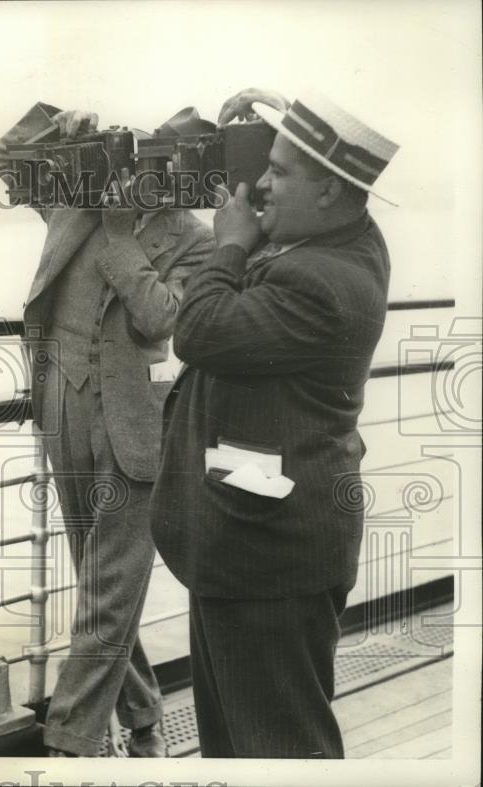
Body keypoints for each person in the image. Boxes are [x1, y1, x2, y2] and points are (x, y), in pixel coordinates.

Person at [149, 88, 399, 757]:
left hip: (269, 555)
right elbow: (314, 171)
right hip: (245, 532)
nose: (260, 182)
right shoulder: (344, 236)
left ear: (326, 192)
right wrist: (273, 113)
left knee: (285, 751)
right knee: (234, 746)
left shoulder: (323, 284)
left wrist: (227, 245)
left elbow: (197, 329)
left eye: (279, 172)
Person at [0, 103, 215, 757]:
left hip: (134, 427)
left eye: (169, 170)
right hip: (63, 407)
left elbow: (158, 318)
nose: (154, 178)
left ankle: (70, 739)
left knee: (108, 589)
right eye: (146, 161)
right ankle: (143, 714)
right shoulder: (73, 199)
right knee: (99, 580)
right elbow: (8, 159)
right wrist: (58, 124)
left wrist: (120, 237)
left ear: (186, 177)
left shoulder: (194, 240)